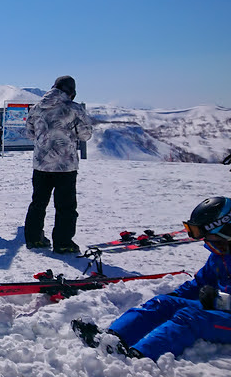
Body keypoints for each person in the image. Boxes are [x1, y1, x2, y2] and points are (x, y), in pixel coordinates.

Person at [73, 196, 231, 361]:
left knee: (191, 317)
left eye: (212, 239)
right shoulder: (220, 255)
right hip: (222, 309)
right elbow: (199, 283)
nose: (209, 244)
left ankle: (139, 357)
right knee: (162, 303)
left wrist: (219, 300)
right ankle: (111, 339)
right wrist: (172, 299)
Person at [24, 75, 92, 254]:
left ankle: (34, 238)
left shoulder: (37, 107)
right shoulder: (74, 108)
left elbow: (29, 133)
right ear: (72, 92)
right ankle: (63, 243)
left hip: (41, 164)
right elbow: (85, 134)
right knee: (65, 206)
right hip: (65, 165)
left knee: (38, 203)